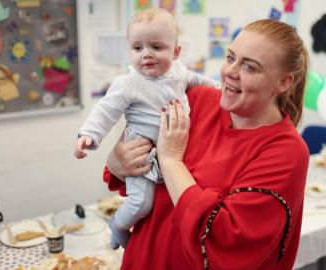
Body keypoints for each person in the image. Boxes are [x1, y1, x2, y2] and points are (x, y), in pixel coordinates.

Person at [104, 19, 310, 270]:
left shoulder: (286, 151)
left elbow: (222, 241)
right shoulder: (196, 100)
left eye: (249, 67)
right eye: (230, 58)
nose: (230, 72)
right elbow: (130, 163)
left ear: (283, 82)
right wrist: (116, 162)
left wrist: (171, 162)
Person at [74, 8, 219, 250]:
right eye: (138, 48)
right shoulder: (128, 83)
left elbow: (200, 81)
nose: (147, 55)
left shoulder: (180, 72)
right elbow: (105, 110)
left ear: (176, 51)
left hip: (172, 149)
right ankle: (119, 225)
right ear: (129, 50)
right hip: (140, 146)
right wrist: (89, 134)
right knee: (141, 203)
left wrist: (220, 90)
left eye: (156, 47)